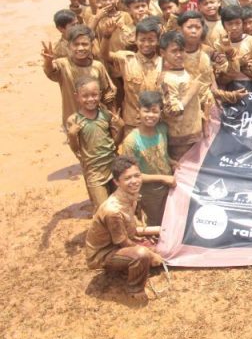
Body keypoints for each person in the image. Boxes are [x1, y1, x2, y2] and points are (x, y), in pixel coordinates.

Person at [85, 155, 163, 301]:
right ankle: (135, 289)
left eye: (137, 175)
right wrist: (150, 254)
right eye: (127, 178)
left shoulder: (130, 197)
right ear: (116, 182)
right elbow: (123, 242)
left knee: (159, 247)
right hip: (102, 254)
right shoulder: (113, 211)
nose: (134, 181)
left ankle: (127, 267)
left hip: (118, 243)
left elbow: (130, 230)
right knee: (142, 254)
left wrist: (158, 232)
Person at [118, 91, 176, 225]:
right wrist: (163, 178)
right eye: (146, 111)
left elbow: (163, 154)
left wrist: (172, 162)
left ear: (161, 112)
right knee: (155, 223)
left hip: (168, 187)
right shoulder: (131, 141)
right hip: (149, 194)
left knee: (171, 219)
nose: (150, 115)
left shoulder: (162, 130)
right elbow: (132, 175)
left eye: (155, 111)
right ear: (138, 111)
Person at [66, 76, 124, 208]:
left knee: (120, 205)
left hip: (113, 165)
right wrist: (72, 135)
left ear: (100, 95)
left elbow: (115, 144)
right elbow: (76, 150)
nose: (90, 99)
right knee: (104, 209)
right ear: (77, 96)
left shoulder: (106, 114)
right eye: (85, 96)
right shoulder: (74, 120)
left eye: (94, 95)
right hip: (94, 172)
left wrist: (121, 127)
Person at [43, 24, 116, 125]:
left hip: (96, 122)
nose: (80, 48)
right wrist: (48, 61)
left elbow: (107, 94)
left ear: (91, 45)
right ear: (69, 46)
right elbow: (50, 70)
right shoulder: (63, 64)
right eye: (76, 44)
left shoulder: (98, 66)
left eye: (84, 44)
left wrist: (113, 116)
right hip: (73, 122)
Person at [159, 31, 205, 161]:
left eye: (181, 50)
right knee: (182, 170)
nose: (179, 54)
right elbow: (172, 112)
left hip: (192, 134)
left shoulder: (182, 71)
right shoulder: (167, 79)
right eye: (174, 51)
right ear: (163, 53)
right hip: (180, 140)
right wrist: (191, 92)